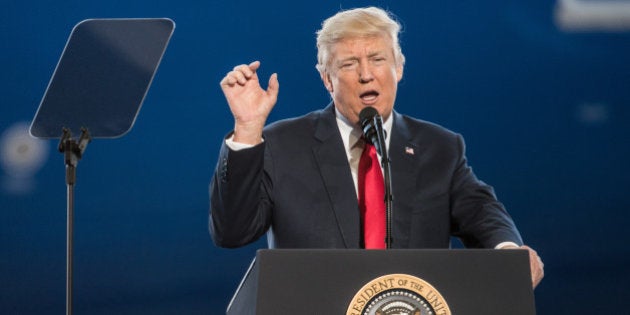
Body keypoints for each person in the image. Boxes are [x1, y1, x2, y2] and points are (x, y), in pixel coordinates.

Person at [210, 6, 543, 287]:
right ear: (327, 78)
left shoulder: (439, 147)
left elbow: (481, 211)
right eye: (349, 64)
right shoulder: (282, 145)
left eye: (377, 59)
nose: (366, 74)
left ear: (399, 67)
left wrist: (507, 250)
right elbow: (232, 232)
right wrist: (248, 130)